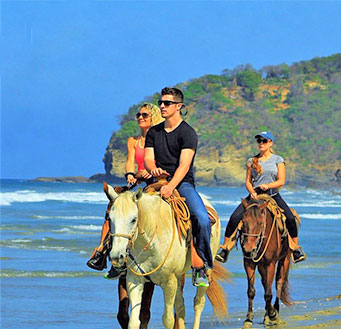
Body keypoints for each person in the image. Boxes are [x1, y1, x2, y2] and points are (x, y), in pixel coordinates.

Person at [144, 87, 213, 287]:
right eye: (161, 103)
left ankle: (202, 268)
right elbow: (149, 158)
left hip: (182, 183)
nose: (162, 107)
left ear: (179, 106)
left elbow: (184, 165)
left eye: (167, 103)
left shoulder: (187, 133)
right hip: (158, 181)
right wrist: (154, 170)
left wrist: (171, 186)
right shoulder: (154, 132)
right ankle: (116, 259)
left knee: (201, 217)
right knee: (124, 208)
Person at [86, 103, 164, 276]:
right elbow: (130, 161)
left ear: (154, 117)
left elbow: (162, 162)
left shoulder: (160, 140)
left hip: (155, 181)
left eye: (145, 115)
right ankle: (103, 252)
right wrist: (130, 173)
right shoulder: (133, 141)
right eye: (139, 115)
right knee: (113, 209)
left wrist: (149, 172)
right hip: (138, 181)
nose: (140, 118)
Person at [215, 131, 306, 264]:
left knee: (290, 219)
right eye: (259, 141)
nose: (261, 143)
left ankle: (295, 250)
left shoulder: (278, 160)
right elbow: (248, 181)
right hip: (255, 195)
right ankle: (225, 249)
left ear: (270, 143)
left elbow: (281, 181)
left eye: (264, 141)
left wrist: (268, 185)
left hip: (272, 194)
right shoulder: (252, 161)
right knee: (234, 217)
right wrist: (252, 191)